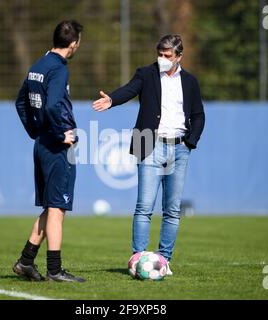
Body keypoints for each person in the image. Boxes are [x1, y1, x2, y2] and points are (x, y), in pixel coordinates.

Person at [93, 34, 205, 275]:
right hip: (149, 145)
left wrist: (190, 142)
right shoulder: (146, 74)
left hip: (179, 148)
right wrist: (112, 99)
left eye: (167, 56)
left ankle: (164, 260)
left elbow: (198, 115)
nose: (162, 59)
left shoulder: (190, 82)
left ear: (179, 57)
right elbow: (129, 90)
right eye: (160, 54)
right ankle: (138, 258)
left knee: (172, 209)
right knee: (144, 206)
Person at [13, 20, 85, 282]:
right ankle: (55, 270)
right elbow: (54, 105)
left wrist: (36, 131)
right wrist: (57, 134)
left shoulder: (38, 65)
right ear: (74, 44)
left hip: (42, 144)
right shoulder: (58, 68)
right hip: (57, 147)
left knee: (50, 207)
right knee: (57, 208)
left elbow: (20, 102)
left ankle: (25, 261)